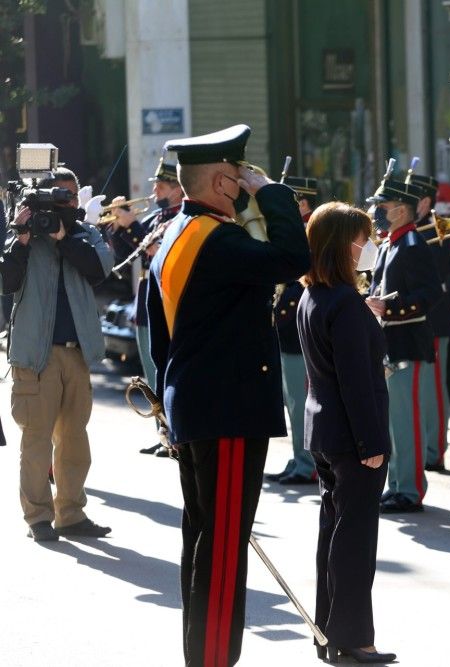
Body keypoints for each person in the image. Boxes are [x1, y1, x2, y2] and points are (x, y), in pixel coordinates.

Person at [145, 124, 310, 666]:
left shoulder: (174, 234)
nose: (244, 184)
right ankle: (213, 660)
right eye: (239, 175)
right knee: (221, 550)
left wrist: (171, 406)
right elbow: (291, 258)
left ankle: (202, 655)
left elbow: (158, 334)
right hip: (228, 413)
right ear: (221, 179)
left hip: (195, 408)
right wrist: (274, 193)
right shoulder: (219, 239)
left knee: (202, 539)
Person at [297, 202, 395, 665]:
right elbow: (358, 382)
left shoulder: (315, 295)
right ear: (343, 246)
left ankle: (327, 630)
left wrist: (363, 313)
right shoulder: (347, 305)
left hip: (324, 430)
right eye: (361, 238)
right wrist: (372, 444)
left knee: (333, 535)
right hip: (354, 438)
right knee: (355, 540)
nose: (368, 246)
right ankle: (354, 638)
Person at [2, 166, 113, 542]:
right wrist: (20, 238)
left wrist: (66, 238)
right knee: (35, 439)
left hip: (76, 354)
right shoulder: (24, 240)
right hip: (36, 355)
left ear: (77, 199)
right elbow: (6, 282)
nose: (60, 204)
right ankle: (38, 517)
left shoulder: (86, 235)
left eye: (67, 196)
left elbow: (101, 270)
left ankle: (71, 514)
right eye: (54, 197)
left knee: (74, 439)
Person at [367, 172, 442, 513]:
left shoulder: (412, 246)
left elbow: (429, 295)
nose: (378, 211)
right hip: (389, 342)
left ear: (401, 209)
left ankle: (410, 490)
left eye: (383, 206)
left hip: (407, 342)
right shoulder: (391, 243)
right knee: (393, 421)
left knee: (405, 420)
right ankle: (396, 483)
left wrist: (390, 307)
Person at [105, 157, 184, 456]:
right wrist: (118, 228)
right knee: (151, 374)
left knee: (165, 372)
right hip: (145, 303)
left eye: (162, 184)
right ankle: (162, 431)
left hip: (165, 304)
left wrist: (133, 226)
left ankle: (175, 433)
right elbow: (126, 261)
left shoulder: (179, 219)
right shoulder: (156, 217)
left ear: (178, 189)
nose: (155, 189)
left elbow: (161, 253)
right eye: (155, 183)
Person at [265, 175, 320, 485]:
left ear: (302, 203)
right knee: (293, 401)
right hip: (286, 332)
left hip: (297, 330)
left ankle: (308, 462)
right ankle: (299, 457)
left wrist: (277, 313)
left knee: (302, 401)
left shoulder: (310, 234)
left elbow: (301, 284)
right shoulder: (291, 231)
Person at [411, 172, 450, 472]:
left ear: (425, 201)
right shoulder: (414, 231)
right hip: (414, 321)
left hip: (434, 320)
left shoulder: (437, 231)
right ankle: (422, 445)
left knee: (432, 391)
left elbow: (435, 278)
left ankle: (434, 449)